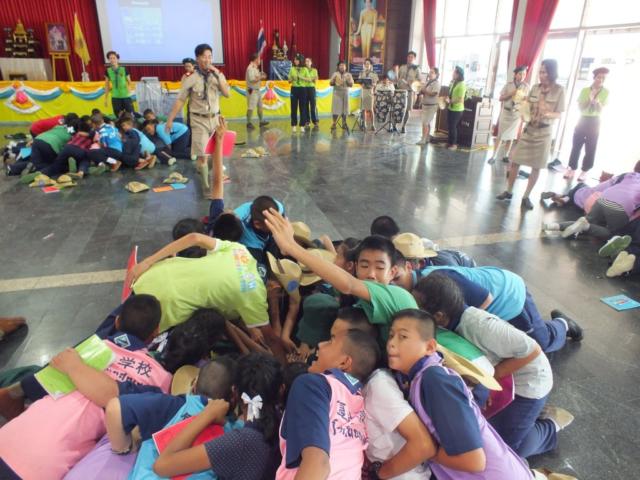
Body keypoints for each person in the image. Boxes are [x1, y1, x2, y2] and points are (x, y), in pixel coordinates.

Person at [0, 295, 172, 480]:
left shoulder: (86, 349)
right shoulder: (159, 377)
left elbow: (39, 383)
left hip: (7, 439)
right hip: (42, 470)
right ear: (156, 332)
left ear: (117, 321)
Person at [415, 273, 573, 459]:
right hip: (507, 380)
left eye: (418, 310)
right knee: (490, 436)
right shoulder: (450, 324)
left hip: (531, 382)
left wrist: (489, 382)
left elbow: (533, 350)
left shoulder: (480, 325)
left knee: (508, 451)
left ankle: (550, 426)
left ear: (439, 316)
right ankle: (528, 416)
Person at [386, 309, 539, 479]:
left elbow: (473, 460)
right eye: (390, 336)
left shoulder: (434, 380)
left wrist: (427, 451)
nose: (391, 343)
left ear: (430, 347)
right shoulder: (419, 378)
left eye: (403, 337)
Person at [264, 209, 418, 344]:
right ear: (356, 268)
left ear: (392, 272)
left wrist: (291, 247)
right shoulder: (358, 300)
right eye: (364, 266)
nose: (371, 274)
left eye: (380, 267)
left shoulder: (396, 296)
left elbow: (348, 284)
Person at [104, 356, 238, 479]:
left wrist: (126, 448)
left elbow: (114, 408)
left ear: (194, 383)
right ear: (235, 396)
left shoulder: (173, 405)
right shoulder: (238, 435)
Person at [153, 353, 282, 479]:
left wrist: (207, 415)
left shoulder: (242, 441)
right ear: (281, 389)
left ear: (235, 391)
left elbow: (162, 465)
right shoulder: (280, 422)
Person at [276, 327, 379, 479]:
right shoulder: (360, 401)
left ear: (344, 362)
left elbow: (319, 464)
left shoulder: (313, 385)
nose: (320, 344)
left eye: (330, 342)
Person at [126, 232, 270, 341]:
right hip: (167, 305)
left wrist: (147, 262)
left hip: (156, 274)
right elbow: (270, 338)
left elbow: (195, 237)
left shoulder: (240, 250)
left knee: (123, 319)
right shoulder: (255, 296)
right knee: (130, 336)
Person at [410, 264, 583, 353]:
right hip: (494, 296)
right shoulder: (423, 284)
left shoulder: (439, 279)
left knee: (539, 343)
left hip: (510, 295)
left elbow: (486, 299)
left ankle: (563, 324)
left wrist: (480, 327)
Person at [497, 59, 566, 210]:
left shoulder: (559, 90)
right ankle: (509, 191)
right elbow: (527, 105)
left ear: (552, 73)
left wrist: (547, 113)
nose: (542, 75)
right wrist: (524, 111)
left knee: (536, 166)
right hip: (529, 130)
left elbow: (559, 114)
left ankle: (526, 196)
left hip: (544, 133)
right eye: (540, 72)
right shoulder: (535, 88)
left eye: (545, 72)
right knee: (515, 161)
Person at [166, 44, 230, 175]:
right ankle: (205, 185)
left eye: (210, 57)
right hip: (199, 120)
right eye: (204, 57)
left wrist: (217, 75)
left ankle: (209, 174)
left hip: (215, 119)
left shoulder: (217, 74)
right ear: (197, 58)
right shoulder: (190, 78)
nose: (208, 60)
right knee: (203, 156)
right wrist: (170, 119)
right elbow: (181, 100)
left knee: (216, 153)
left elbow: (227, 93)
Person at [555, 167, 640, 241]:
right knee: (612, 234)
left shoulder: (628, 175)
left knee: (585, 221)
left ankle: (553, 226)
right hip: (620, 207)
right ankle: (585, 227)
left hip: (602, 199)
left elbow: (602, 186)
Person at [565, 67, 610, 181]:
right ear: (594, 77)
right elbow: (581, 108)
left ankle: (584, 171)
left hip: (595, 121)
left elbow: (601, 110)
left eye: (603, 78)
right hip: (583, 119)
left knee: (591, 147)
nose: (600, 80)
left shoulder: (606, 92)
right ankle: (572, 168)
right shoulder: (585, 90)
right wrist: (589, 100)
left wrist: (597, 103)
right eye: (599, 77)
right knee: (576, 145)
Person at [488, 65, 530, 164]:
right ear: (515, 74)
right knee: (500, 135)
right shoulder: (508, 85)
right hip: (506, 113)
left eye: (524, 74)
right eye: (520, 74)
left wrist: (525, 99)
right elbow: (500, 98)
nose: (522, 76)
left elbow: (527, 101)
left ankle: (506, 155)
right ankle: (494, 156)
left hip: (516, 114)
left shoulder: (526, 86)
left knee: (511, 136)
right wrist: (511, 93)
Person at [104, 51, 134, 116]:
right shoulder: (107, 71)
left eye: (114, 58)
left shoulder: (124, 69)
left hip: (126, 96)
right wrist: (106, 99)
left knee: (130, 115)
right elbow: (106, 86)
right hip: (115, 97)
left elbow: (129, 82)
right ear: (108, 60)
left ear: (117, 59)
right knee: (118, 116)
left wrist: (129, 89)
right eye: (110, 58)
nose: (112, 60)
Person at [396, 51, 420, 133]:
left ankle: (403, 126)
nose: (410, 58)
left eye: (412, 57)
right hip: (400, 91)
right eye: (409, 57)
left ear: (414, 58)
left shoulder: (417, 69)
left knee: (407, 109)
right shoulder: (402, 67)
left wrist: (411, 83)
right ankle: (395, 124)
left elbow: (419, 81)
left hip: (409, 91)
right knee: (398, 108)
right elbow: (398, 78)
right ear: (407, 58)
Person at [417, 67, 441, 145]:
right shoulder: (427, 82)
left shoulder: (436, 83)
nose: (430, 74)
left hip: (431, 106)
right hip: (425, 105)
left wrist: (425, 91)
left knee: (425, 122)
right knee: (427, 122)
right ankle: (427, 137)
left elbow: (434, 93)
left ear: (436, 75)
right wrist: (420, 91)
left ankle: (423, 139)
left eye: (432, 72)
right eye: (430, 72)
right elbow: (423, 91)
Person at [245, 53, 269, 130]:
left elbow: (257, 77)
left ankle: (261, 121)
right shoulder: (250, 68)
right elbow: (252, 80)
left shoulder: (255, 68)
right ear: (255, 59)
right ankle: (248, 123)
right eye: (259, 59)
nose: (259, 60)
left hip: (257, 90)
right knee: (251, 107)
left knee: (260, 106)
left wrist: (261, 75)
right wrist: (260, 77)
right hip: (252, 90)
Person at [446, 66, 466, 150]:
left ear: (458, 74)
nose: (452, 74)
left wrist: (450, 101)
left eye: (454, 72)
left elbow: (461, 99)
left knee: (453, 126)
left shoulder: (462, 85)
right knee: (449, 126)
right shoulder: (454, 83)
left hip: (457, 110)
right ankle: (449, 143)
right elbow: (451, 94)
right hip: (451, 108)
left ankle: (454, 144)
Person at [330, 61, 354, 131]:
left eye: (343, 65)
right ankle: (334, 123)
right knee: (335, 109)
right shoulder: (335, 74)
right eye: (340, 65)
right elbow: (330, 83)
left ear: (345, 67)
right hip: (337, 93)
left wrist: (347, 81)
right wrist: (334, 81)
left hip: (345, 93)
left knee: (345, 109)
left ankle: (344, 123)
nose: (342, 67)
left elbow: (351, 85)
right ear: (338, 66)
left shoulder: (349, 75)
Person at [288, 54, 308, 132]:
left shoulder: (305, 69)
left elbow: (309, 79)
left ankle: (302, 125)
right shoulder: (292, 69)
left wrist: (301, 77)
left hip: (303, 89)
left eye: (296, 60)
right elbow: (289, 81)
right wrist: (292, 79)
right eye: (294, 60)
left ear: (300, 61)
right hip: (294, 89)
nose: (295, 61)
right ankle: (294, 125)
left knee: (303, 107)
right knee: (293, 107)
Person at [359, 58, 378, 131]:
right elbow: (359, 80)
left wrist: (372, 84)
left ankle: (372, 124)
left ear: (371, 65)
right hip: (363, 91)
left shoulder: (374, 73)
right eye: (365, 64)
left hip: (370, 91)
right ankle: (364, 124)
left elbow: (375, 83)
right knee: (363, 109)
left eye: (368, 64)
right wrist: (361, 83)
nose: (367, 65)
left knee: (370, 109)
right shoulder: (361, 73)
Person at [301, 57, 319, 128]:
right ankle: (307, 121)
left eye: (308, 61)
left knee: (313, 105)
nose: (307, 62)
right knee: (305, 105)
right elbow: (301, 78)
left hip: (312, 88)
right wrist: (311, 79)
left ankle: (315, 121)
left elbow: (316, 78)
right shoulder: (303, 70)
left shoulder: (314, 70)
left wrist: (306, 79)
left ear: (311, 62)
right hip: (305, 88)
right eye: (306, 61)